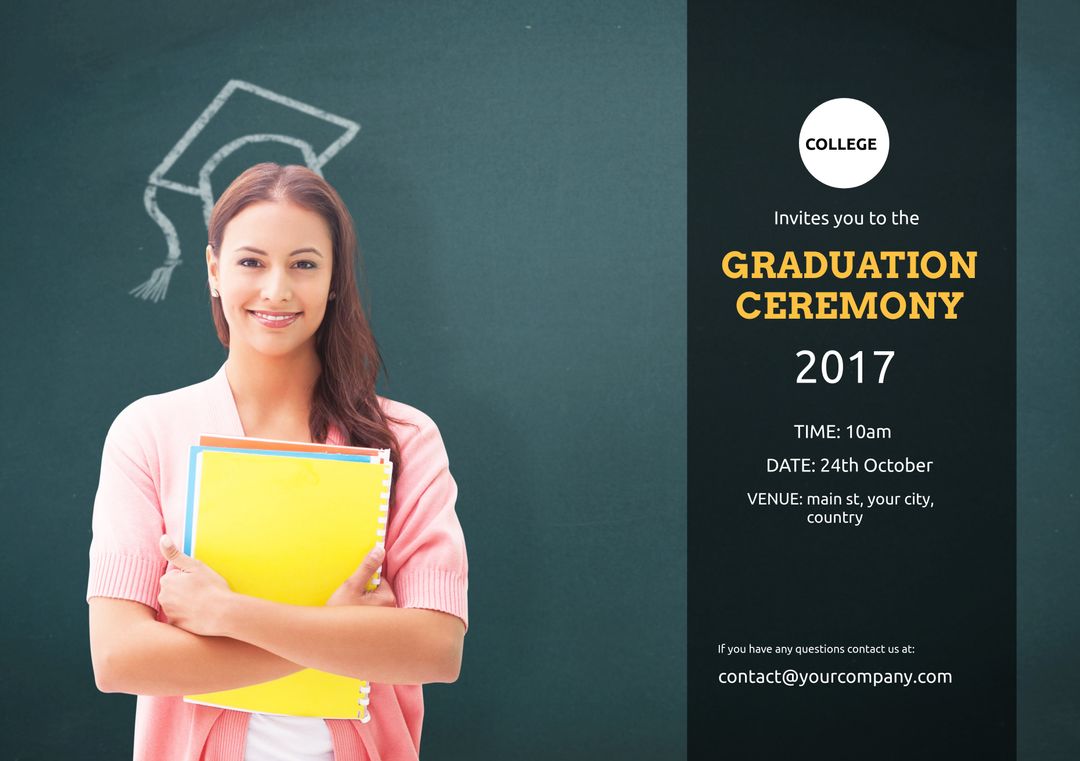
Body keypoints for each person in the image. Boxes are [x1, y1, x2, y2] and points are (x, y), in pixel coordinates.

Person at [87, 163, 468, 761]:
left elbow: (436, 649)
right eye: (251, 262)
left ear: (335, 279)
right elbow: (117, 659)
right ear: (213, 271)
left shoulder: (405, 438)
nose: (277, 290)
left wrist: (226, 613)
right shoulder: (148, 432)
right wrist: (338, 633)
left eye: (305, 264)